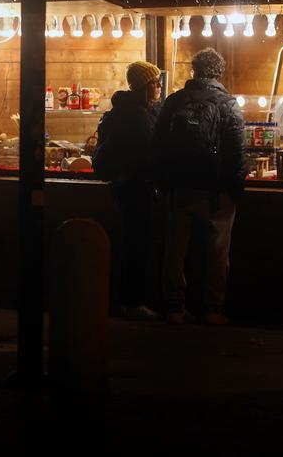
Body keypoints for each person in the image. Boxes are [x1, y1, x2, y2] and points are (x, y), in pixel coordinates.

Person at [152, 48, 245, 326]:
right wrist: (235, 189)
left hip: (179, 190)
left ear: (193, 71)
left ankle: (174, 308)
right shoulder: (228, 104)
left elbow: (157, 145)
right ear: (219, 72)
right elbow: (237, 151)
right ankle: (212, 309)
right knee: (217, 253)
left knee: (175, 251)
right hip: (215, 194)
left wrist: (163, 183)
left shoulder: (174, 101)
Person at [93, 60, 163, 320]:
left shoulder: (133, 110)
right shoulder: (135, 116)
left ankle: (129, 300)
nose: (159, 87)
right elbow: (146, 153)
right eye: (154, 83)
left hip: (129, 186)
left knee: (135, 243)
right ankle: (132, 302)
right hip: (135, 187)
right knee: (137, 245)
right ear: (143, 86)